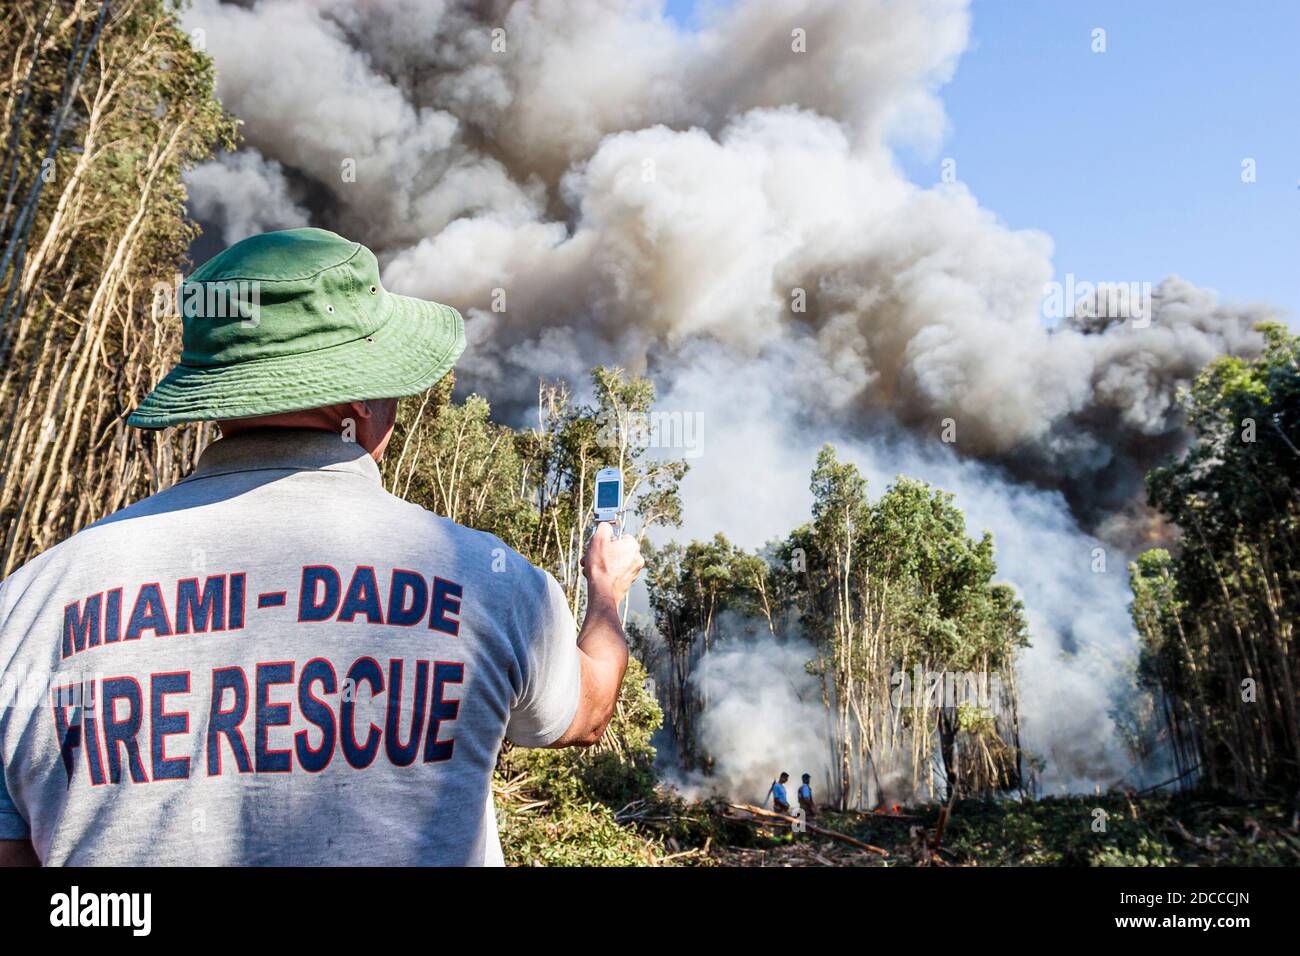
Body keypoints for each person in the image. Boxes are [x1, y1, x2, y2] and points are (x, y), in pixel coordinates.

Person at [0, 227, 643, 866]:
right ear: (362, 402)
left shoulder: (28, 607)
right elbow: (585, 715)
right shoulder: (491, 583)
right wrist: (607, 593)